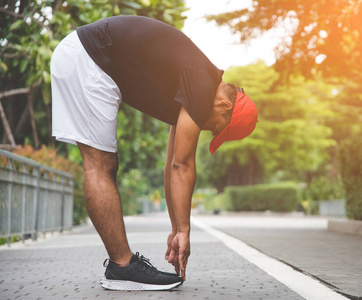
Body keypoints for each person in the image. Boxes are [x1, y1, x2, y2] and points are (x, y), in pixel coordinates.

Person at [50, 15, 258, 291]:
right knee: (100, 165)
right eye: (217, 129)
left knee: (103, 165)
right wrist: (185, 231)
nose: (209, 130)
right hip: (90, 57)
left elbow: (172, 163)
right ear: (224, 105)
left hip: (88, 57)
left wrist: (176, 227)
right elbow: (182, 166)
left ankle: (121, 267)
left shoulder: (196, 85)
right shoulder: (201, 84)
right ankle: (121, 267)